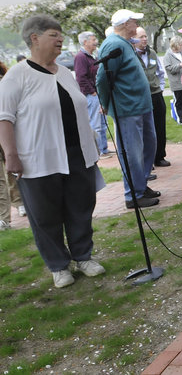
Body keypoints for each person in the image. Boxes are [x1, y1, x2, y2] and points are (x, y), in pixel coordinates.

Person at [0, 15, 105, 287]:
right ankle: (59, 265)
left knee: (81, 207)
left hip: (76, 154)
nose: (60, 39)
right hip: (38, 159)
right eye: (53, 34)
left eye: (60, 34)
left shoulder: (65, 73)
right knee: (45, 214)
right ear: (34, 38)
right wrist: (10, 153)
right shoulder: (17, 75)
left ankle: (83, 256)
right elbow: (4, 117)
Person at [96, 9, 160, 209]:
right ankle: (133, 195)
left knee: (149, 146)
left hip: (140, 106)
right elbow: (102, 78)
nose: (137, 25)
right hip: (128, 109)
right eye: (134, 22)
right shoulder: (114, 45)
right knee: (132, 153)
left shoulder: (124, 44)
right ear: (125, 24)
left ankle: (140, 185)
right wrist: (105, 103)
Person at [134, 27, 170, 168]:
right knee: (145, 129)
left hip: (156, 95)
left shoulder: (152, 53)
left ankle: (159, 156)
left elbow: (160, 73)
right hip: (141, 97)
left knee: (160, 126)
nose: (145, 39)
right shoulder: (131, 55)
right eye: (141, 37)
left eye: (145, 36)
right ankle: (146, 160)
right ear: (134, 39)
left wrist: (160, 88)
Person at [74, 31, 111, 157]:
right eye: (93, 40)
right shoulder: (81, 57)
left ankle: (104, 148)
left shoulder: (92, 55)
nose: (96, 42)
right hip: (92, 95)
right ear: (85, 42)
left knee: (102, 123)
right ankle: (99, 151)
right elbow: (81, 78)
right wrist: (92, 92)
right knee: (96, 124)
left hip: (97, 93)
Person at [0, 61, 24, 230]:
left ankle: (18, 203)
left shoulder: (5, 81)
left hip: (5, 129)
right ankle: (5, 216)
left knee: (9, 171)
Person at [163, 36, 182, 125]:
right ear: (175, 46)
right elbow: (168, 69)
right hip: (176, 83)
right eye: (180, 45)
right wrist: (179, 65)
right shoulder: (167, 55)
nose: (181, 46)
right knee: (179, 102)